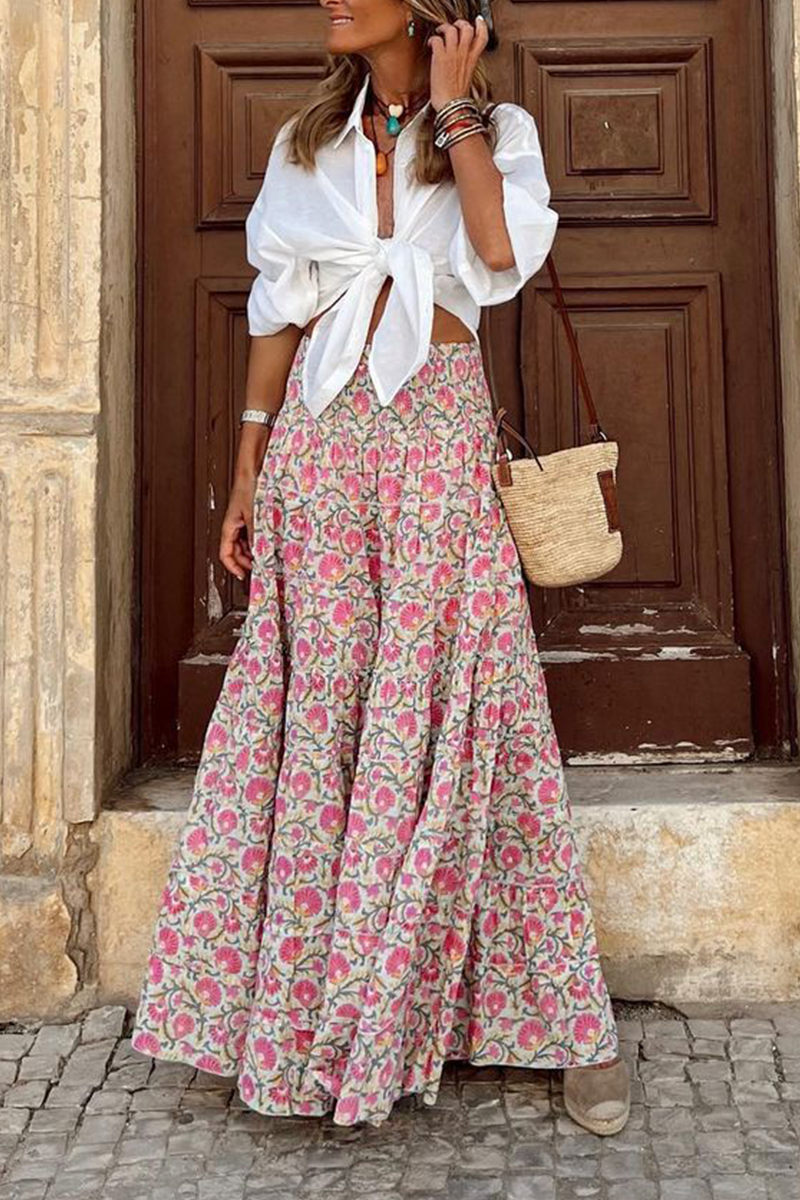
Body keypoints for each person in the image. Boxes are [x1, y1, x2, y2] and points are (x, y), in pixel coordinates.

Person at [131, 0, 630, 1136]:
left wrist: (453, 108)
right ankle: (314, 1017)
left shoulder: (496, 133)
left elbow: (497, 255)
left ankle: (562, 1022)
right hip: (320, 442)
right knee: (324, 713)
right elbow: (279, 309)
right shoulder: (304, 141)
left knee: (470, 701)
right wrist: (247, 470)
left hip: (437, 431)